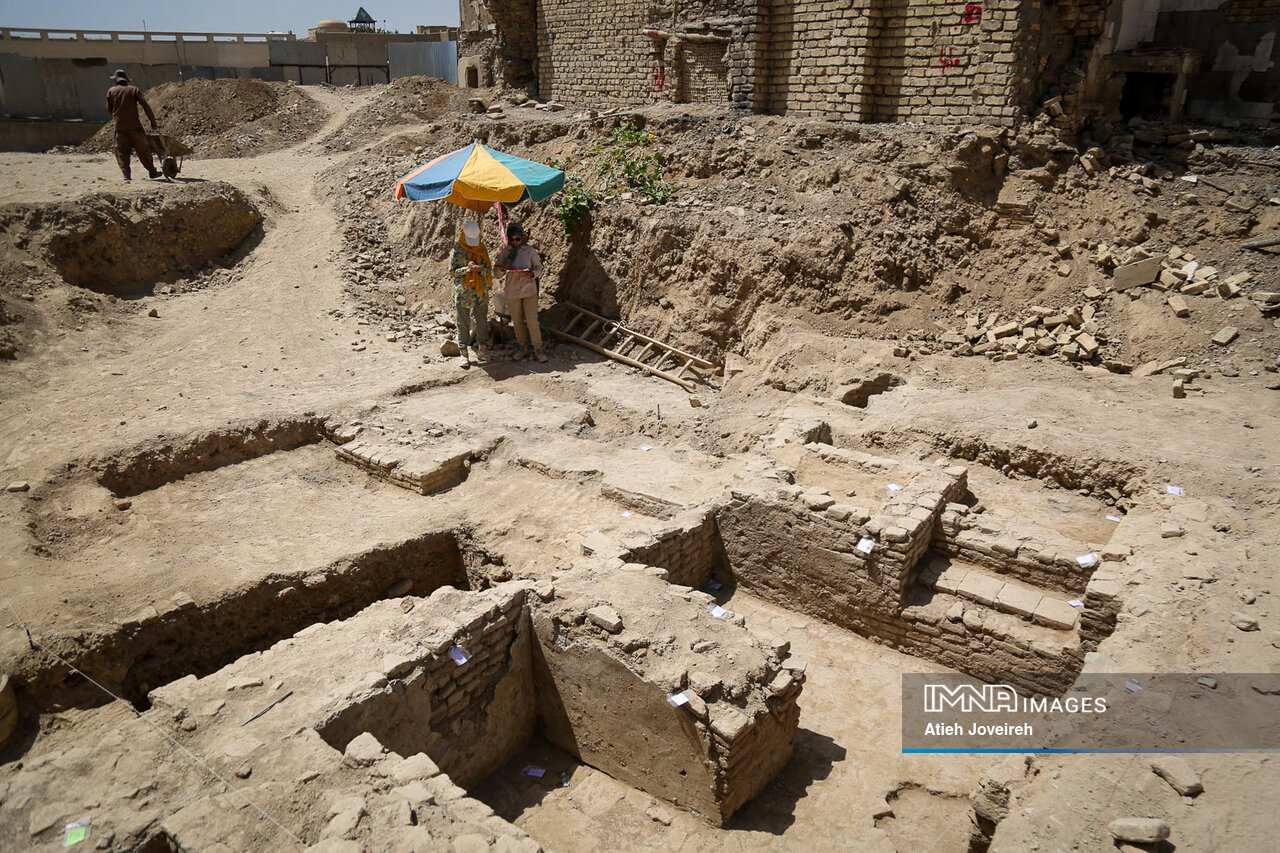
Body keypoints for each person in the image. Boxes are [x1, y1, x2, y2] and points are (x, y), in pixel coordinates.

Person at [494, 222, 547, 362]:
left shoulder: (530, 251)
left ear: (522, 237)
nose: (515, 242)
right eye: (512, 239)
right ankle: (522, 348)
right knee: (517, 322)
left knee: (532, 322)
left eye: (517, 239)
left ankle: (538, 349)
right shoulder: (505, 253)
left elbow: (539, 269)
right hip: (512, 292)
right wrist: (503, 268)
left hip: (529, 291)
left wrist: (532, 274)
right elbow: (496, 273)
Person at [449, 220, 492, 368]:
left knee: (482, 321)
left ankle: (482, 350)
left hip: (480, 292)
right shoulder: (457, 249)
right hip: (464, 292)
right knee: (463, 322)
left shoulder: (481, 247)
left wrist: (480, 269)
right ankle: (463, 354)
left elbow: (488, 268)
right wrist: (465, 270)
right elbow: (452, 271)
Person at [106, 70, 161, 182]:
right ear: (126, 80)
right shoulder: (133, 90)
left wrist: (117, 117)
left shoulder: (111, 91)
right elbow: (145, 105)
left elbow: (109, 109)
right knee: (144, 150)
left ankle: (126, 175)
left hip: (120, 128)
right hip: (135, 127)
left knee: (122, 152)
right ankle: (152, 172)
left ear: (116, 80)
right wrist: (153, 121)